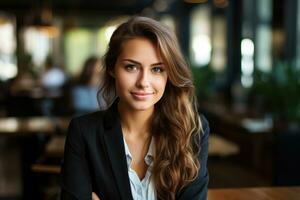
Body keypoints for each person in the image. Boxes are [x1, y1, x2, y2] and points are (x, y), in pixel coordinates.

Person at [61, 16, 210, 200]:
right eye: (131, 67)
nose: (143, 82)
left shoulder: (193, 131)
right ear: (111, 68)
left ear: (169, 75)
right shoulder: (84, 132)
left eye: (157, 69)